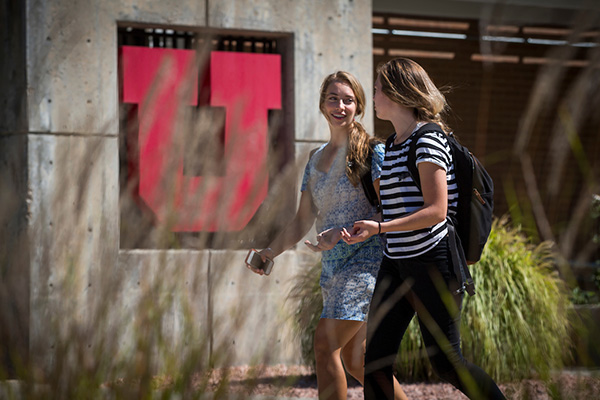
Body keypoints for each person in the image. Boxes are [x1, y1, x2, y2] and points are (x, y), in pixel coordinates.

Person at [342, 57, 506, 400]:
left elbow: (436, 211)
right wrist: (364, 229)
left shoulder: (428, 140)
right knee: (375, 362)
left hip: (433, 264)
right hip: (396, 263)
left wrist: (381, 227)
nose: (372, 95)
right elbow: (397, 205)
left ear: (398, 94)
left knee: (446, 362)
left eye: (377, 89)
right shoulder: (395, 143)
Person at [246, 71, 408, 400]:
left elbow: (391, 211)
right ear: (322, 104)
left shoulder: (371, 152)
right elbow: (302, 218)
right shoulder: (315, 160)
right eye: (333, 98)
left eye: (348, 100)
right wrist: (268, 252)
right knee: (356, 360)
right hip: (333, 269)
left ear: (359, 107)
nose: (340, 105)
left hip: (367, 263)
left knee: (324, 344)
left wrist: (346, 232)